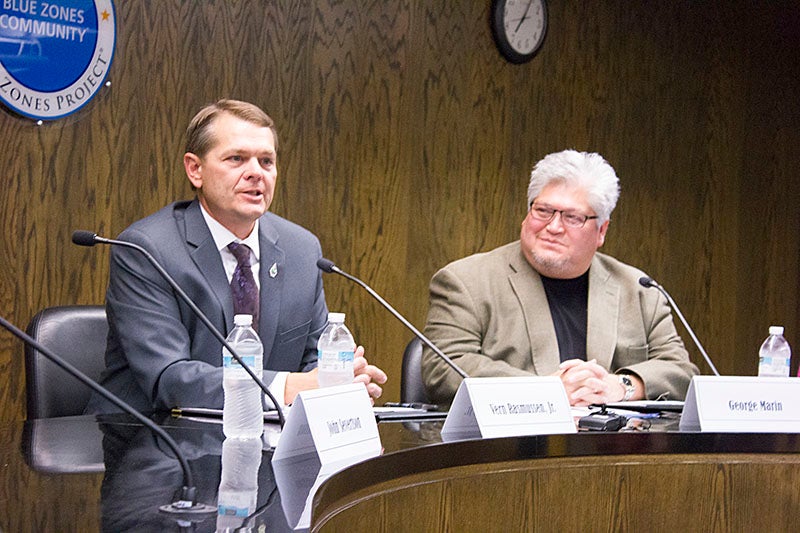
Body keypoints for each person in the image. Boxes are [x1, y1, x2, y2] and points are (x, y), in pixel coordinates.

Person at [86, 99, 386, 414]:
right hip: (150, 442)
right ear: (195, 169)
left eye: (266, 161)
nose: (256, 173)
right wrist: (288, 387)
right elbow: (170, 379)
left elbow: (312, 360)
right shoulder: (147, 250)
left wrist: (341, 379)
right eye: (237, 159)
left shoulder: (302, 249)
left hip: (265, 440)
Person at [421, 149, 698, 407]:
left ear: (601, 231)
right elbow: (444, 367)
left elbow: (681, 372)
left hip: (613, 451)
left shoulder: (639, 290)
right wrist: (548, 392)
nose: (553, 227)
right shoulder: (466, 281)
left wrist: (622, 385)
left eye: (572, 218)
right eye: (543, 211)